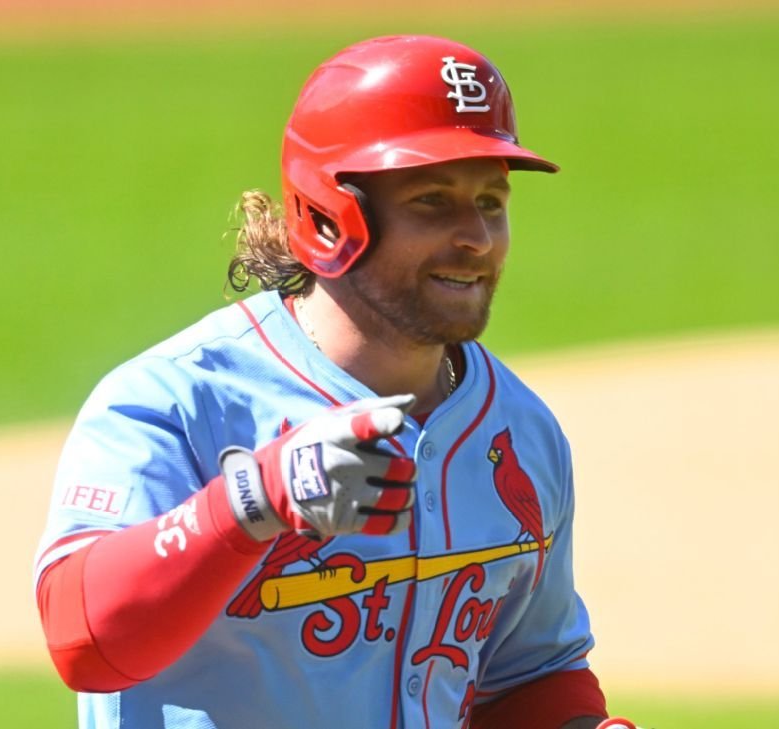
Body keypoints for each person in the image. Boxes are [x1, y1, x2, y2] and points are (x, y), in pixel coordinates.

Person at [34, 34, 644, 729]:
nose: (476, 236)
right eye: (433, 201)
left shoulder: (521, 430)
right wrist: (253, 501)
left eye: (491, 201)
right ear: (330, 216)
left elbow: (525, 678)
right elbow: (81, 638)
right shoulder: (177, 401)